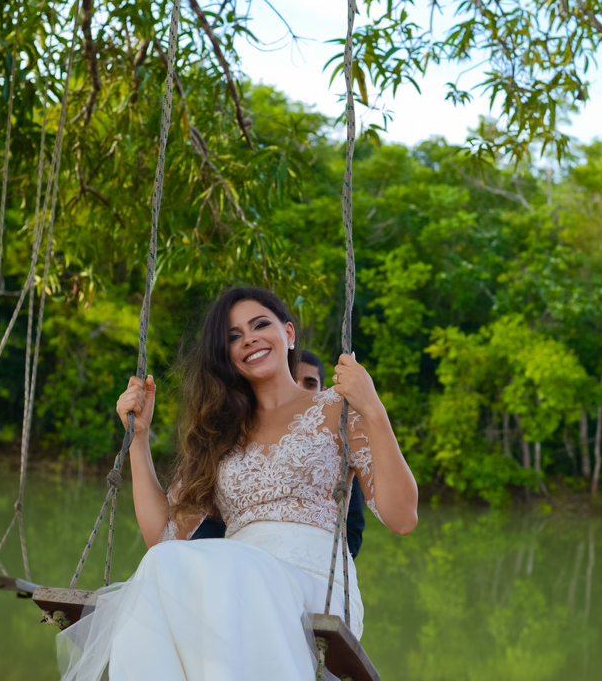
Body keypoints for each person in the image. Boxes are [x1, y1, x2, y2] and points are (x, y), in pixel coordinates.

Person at [57, 286, 419, 681]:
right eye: (233, 336)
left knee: (235, 569)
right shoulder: (220, 432)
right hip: (232, 581)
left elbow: (402, 518)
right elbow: (163, 539)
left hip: (314, 583)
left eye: (260, 325)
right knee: (163, 565)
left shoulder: (337, 408)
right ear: (226, 355)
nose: (248, 338)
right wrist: (138, 438)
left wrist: (373, 408)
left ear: (288, 333)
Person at [190, 348, 368, 559]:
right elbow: (205, 524)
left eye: (310, 384)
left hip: (314, 564)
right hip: (239, 564)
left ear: (323, 390)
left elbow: (353, 528)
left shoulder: (335, 443)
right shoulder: (230, 441)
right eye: (293, 380)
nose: (299, 388)